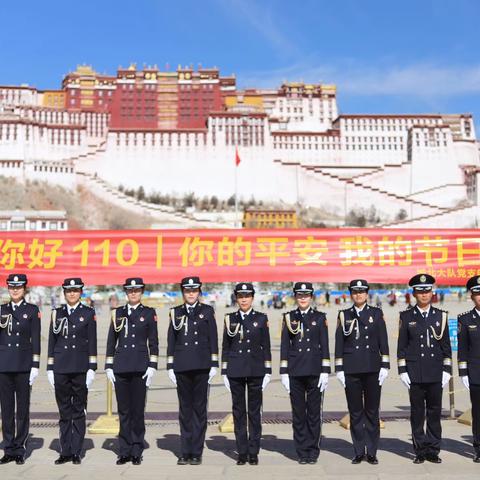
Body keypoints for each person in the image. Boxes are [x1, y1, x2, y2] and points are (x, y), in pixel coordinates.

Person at [397, 274, 452, 464]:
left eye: (427, 291)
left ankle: (433, 450)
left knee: (435, 413)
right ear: (414, 293)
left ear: (432, 292)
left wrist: (447, 370)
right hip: (415, 372)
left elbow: (446, 347)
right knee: (417, 413)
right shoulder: (406, 316)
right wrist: (403, 370)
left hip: (436, 371)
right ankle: (420, 450)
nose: (424, 295)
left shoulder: (441, 316)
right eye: (420, 291)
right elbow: (402, 346)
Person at [334, 279, 390, 465]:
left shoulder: (376, 313)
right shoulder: (344, 315)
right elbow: (339, 344)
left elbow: (383, 340)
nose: (358, 295)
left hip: (373, 368)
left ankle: (372, 451)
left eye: (362, 291)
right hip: (351, 370)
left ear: (367, 294)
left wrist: (385, 365)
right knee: (356, 412)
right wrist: (340, 369)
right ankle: (359, 451)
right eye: (355, 292)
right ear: (351, 294)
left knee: (372, 412)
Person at [105, 278, 158, 465]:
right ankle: (124, 450)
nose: (133, 293)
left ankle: (137, 449)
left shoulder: (149, 313)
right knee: (124, 411)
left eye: (136, 290)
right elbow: (111, 341)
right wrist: (109, 366)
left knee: (137, 411)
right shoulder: (117, 313)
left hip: (140, 367)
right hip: (121, 367)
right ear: (125, 293)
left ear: (142, 292)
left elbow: (153, 342)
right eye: (130, 290)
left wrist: (152, 366)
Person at [167, 276, 218, 465]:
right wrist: (170, 366)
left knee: (199, 410)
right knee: (185, 410)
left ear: (199, 292)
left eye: (194, 290)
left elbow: (213, 337)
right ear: (183, 292)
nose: (191, 293)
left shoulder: (207, 311)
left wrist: (214, 363)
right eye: (187, 290)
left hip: (202, 365)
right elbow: (171, 340)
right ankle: (185, 450)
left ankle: (196, 451)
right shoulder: (175, 312)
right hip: (182, 365)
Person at [47, 278, 97, 465]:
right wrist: (50, 368)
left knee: (78, 410)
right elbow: (52, 342)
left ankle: (77, 450)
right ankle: (65, 450)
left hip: (80, 367)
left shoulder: (88, 313)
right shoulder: (56, 314)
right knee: (64, 411)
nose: (72, 294)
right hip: (60, 367)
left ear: (81, 292)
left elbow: (92, 342)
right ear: (64, 292)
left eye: (75, 290)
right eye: (69, 291)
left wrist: (92, 368)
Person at [221, 283, 272, 465]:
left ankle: (253, 451)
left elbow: (266, 346)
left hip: (255, 370)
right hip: (235, 370)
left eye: (247, 295)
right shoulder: (229, 318)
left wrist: (267, 371)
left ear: (252, 297)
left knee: (254, 412)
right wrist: (224, 371)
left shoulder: (261, 318)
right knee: (239, 412)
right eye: (240, 296)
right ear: (236, 297)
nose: (243, 299)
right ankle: (242, 451)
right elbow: (225, 346)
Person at [280, 282, 330, 464]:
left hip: (315, 370)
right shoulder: (288, 317)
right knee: (299, 414)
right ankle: (302, 451)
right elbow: (285, 346)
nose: (302, 298)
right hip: (295, 371)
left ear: (311, 297)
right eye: (299, 295)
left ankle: (313, 450)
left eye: (306, 295)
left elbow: (325, 345)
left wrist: (325, 370)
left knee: (314, 413)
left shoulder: (319, 317)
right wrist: (284, 372)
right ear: (295, 297)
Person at [0, 273, 41, 465]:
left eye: (19, 286)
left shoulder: (32, 311)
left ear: (25, 288)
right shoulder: (1, 310)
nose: (15, 289)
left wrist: (35, 365)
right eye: (12, 286)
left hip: (24, 366)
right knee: (6, 410)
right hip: (4, 366)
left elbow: (36, 340)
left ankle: (20, 448)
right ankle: (8, 448)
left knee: (22, 409)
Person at [458, 275, 480, 463]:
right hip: (476, 373)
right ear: (472, 296)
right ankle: (479, 448)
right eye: (477, 293)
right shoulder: (465, 320)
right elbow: (463, 349)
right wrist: (463, 372)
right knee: (478, 413)